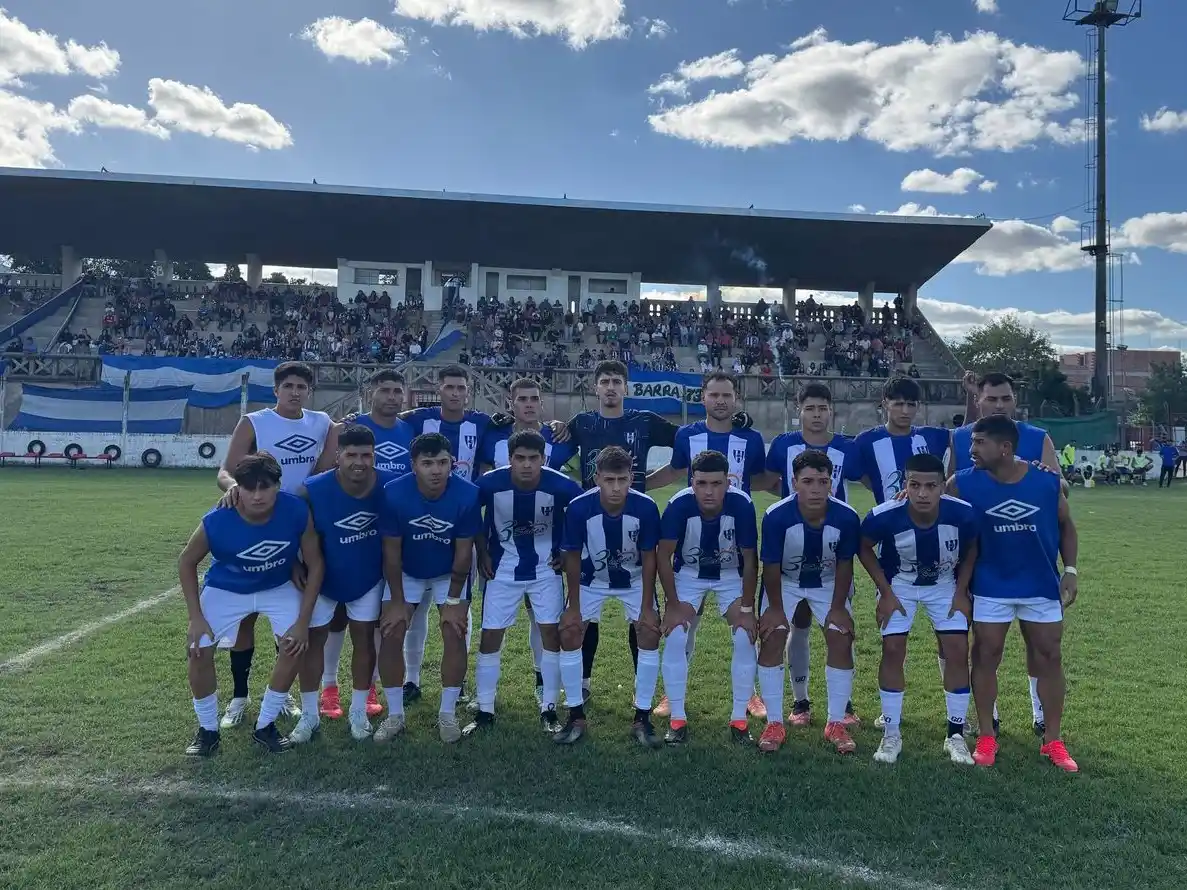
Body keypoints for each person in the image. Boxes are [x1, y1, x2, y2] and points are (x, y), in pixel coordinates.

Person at [950, 415, 1080, 772]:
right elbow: (932, 508)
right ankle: (987, 735)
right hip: (991, 584)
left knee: (1049, 657)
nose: (971, 449)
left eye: (979, 443)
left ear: (1005, 448)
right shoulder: (961, 484)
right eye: (971, 442)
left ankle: (1052, 740)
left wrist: (1069, 570)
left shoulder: (1046, 482)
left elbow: (1067, 525)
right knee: (986, 654)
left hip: (1040, 584)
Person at [216, 361, 338, 729]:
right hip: (256, 522)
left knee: (289, 617)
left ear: (309, 391)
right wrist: (234, 488)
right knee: (247, 616)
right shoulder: (254, 422)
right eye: (288, 385)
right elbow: (225, 471)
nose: (295, 391)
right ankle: (239, 696)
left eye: (302, 385)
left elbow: (329, 461)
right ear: (276, 390)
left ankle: (280, 695)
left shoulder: (321, 423)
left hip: (300, 524)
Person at [179, 452, 325, 756]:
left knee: (295, 645)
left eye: (265, 487)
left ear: (277, 485)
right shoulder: (218, 519)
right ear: (237, 489)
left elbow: (316, 564)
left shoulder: (296, 510)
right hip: (227, 587)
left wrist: (302, 623)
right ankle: (207, 731)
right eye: (249, 488)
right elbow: (186, 562)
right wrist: (195, 617)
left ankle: (265, 725)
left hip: (277, 585)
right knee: (198, 649)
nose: (257, 496)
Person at [644, 370, 770, 720]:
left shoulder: (752, 438)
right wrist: (639, 486)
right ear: (703, 399)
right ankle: (673, 694)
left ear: (736, 399)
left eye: (726, 395)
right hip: (691, 545)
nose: (720, 401)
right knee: (683, 625)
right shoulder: (687, 434)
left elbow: (759, 478)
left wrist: (798, 493)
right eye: (713, 395)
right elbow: (674, 470)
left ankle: (750, 694)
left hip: (734, 539)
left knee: (745, 628)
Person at [954, 371, 1061, 736]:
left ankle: (1040, 713)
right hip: (982, 561)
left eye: (1006, 399)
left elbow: (1059, 490)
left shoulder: (1036, 437)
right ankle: (989, 716)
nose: (1000, 405)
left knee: (1039, 643)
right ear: (977, 400)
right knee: (981, 643)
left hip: (1033, 560)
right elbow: (949, 490)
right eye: (992, 399)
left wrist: (1050, 475)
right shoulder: (959, 439)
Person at [857, 453, 977, 766]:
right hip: (901, 585)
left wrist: (962, 591)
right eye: (915, 485)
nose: (922, 493)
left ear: (942, 488)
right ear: (904, 485)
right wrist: (884, 592)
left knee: (956, 648)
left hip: (944, 585)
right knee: (893, 649)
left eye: (930, 486)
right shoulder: (884, 515)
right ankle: (892, 732)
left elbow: (973, 546)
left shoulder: (963, 514)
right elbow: (863, 545)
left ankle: (955, 734)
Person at [469, 430, 583, 735]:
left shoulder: (561, 485)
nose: (527, 464)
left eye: (534, 458)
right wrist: (481, 551)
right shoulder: (490, 483)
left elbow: (583, 514)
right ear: (510, 459)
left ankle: (548, 709)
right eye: (520, 458)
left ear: (544, 459)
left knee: (550, 636)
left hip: (546, 570)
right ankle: (484, 711)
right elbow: (468, 513)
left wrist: (566, 548)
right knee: (490, 637)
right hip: (502, 571)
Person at [295, 424, 401, 744]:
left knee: (365, 640)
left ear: (375, 456)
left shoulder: (391, 485)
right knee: (313, 643)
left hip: (368, 576)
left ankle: (358, 709)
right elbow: (290, 531)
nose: (359, 461)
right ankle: (310, 715)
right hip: (323, 577)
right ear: (337, 455)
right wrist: (292, 565)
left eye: (366, 455)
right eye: (351, 454)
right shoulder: (311, 490)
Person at [373, 433, 481, 744]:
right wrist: (395, 600)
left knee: (454, 629)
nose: (436, 470)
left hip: (450, 571)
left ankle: (447, 714)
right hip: (407, 569)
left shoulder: (467, 494)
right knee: (392, 629)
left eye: (443, 463)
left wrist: (453, 601)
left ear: (453, 463)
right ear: (413, 465)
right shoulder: (394, 493)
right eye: (428, 463)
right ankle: (395, 715)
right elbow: (391, 553)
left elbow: (463, 554)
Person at [763, 382, 860, 728]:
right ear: (798, 410)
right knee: (797, 626)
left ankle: (843, 705)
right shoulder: (783, 445)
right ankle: (799, 701)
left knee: (839, 629)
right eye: (810, 408)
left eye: (823, 408)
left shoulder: (848, 447)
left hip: (832, 548)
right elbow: (765, 479)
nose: (817, 414)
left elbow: (872, 478)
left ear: (831, 410)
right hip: (792, 547)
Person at [319, 370, 414, 721]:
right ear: (369, 392)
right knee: (337, 618)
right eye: (384, 390)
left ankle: (368, 685)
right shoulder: (349, 426)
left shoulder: (410, 428)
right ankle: (329, 687)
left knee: (373, 620)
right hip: (345, 530)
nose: (391, 397)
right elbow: (325, 469)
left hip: (386, 533)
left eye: (397, 391)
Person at [556, 446, 663, 747]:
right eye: (609, 480)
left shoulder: (645, 507)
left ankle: (642, 716)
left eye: (622, 480)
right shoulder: (579, 508)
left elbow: (649, 556)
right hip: (591, 579)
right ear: (596, 478)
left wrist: (646, 608)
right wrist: (574, 607)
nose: (616, 487)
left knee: (649, 633)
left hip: (633, 580)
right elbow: (573, 557)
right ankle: (575, 713)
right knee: (570, 631)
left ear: (631, 478)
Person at [656, 451, 759, 745]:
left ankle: (739, 720)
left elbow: (751, 561)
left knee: (744, 635)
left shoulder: (742, 504)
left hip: (730, 576)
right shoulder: (678, 504)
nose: (709, 491)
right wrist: (673, 605)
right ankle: (677, 719)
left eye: (716, 483)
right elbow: (664, 556)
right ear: (692, 482)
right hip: (689, 573)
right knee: (676, 635)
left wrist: (748, 609)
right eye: (701, 483)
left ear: (728, 482)